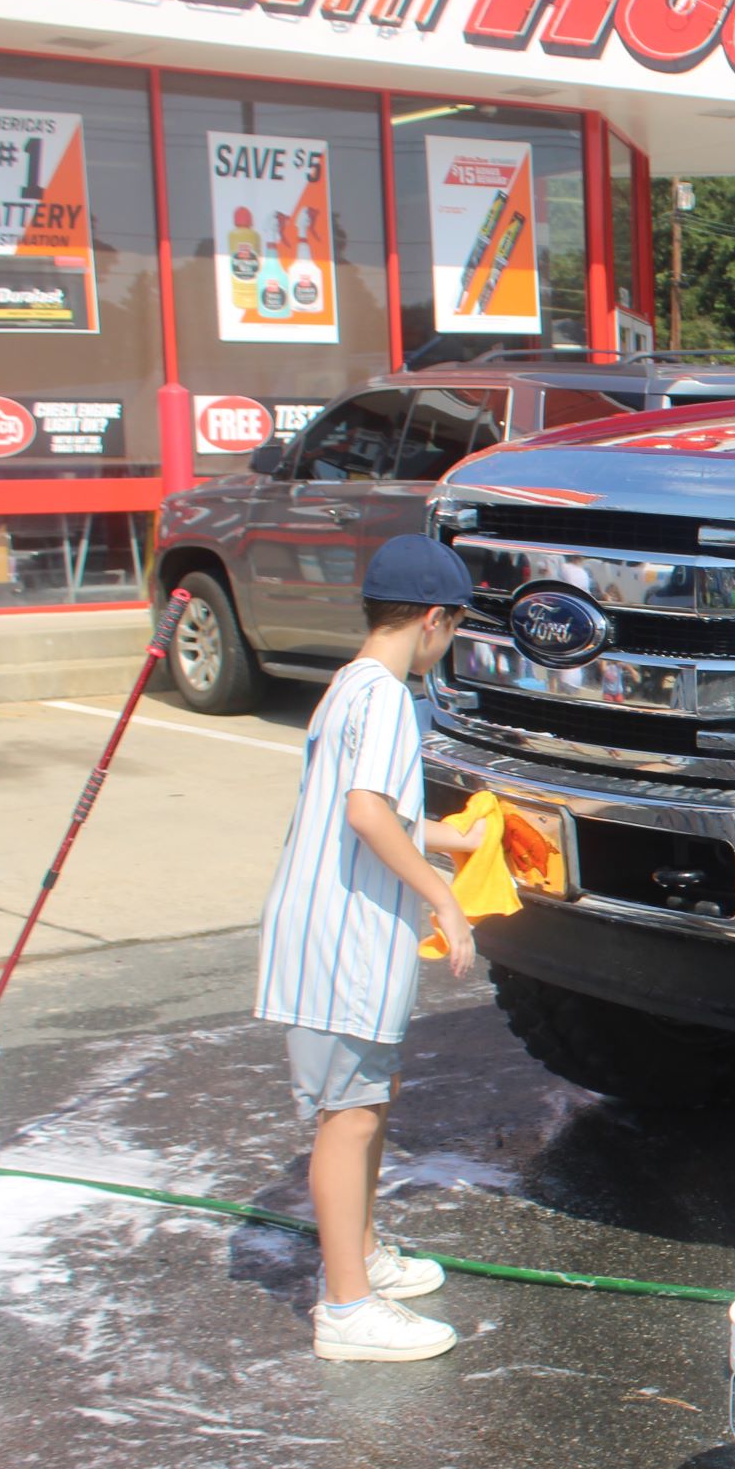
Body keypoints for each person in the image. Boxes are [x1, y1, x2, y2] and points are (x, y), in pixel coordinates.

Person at [253, 535, 486, 1363]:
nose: (447, 643)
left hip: (332, 929)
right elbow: (364, 813)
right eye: (453, 628)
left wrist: (447, 835)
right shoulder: (389, 698)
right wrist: (444, 897)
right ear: (433, 620)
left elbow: (370, 805)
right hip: (343, 938)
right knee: (347, 1118)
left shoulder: (350, 685)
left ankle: (364, 1256)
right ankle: (347, 1310)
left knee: (368, 1096)